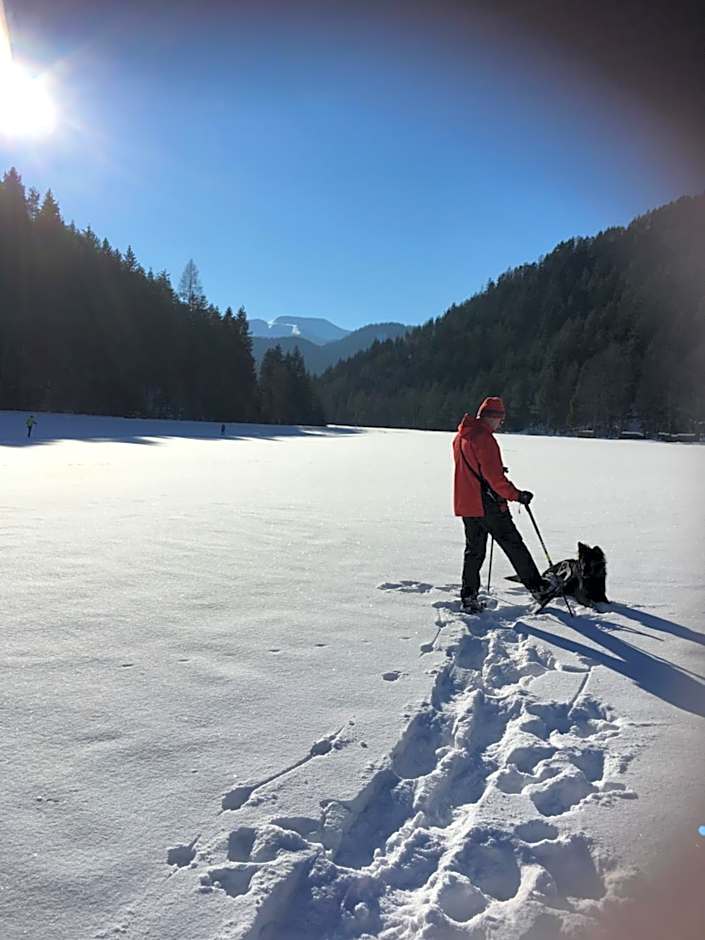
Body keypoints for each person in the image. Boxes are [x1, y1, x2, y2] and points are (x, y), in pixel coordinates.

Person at [452, 396, 554, 612]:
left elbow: (473, 471)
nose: (501, 425)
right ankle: (538, 589)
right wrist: (517, 495)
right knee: (514, 545)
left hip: (467, 504)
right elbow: (495, 480)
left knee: (474, 552)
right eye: (501, 420)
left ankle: (468, 598)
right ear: (493, 417)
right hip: (488, 505)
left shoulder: (461, 436)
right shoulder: (485, 439)